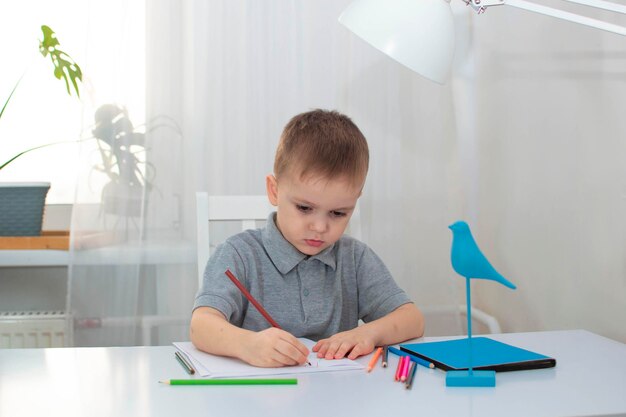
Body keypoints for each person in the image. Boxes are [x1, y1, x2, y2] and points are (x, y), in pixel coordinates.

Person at [190, 109, 424, 368]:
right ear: (274, 191)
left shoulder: (355, 258)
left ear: (354, 203)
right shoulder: (238, 253)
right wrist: (247, 344)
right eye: (304, 208)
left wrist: (367, 333)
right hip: (259, 400)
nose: (320, 226)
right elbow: (201, 326)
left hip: (337, 398)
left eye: (338, 213)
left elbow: (412, 319)